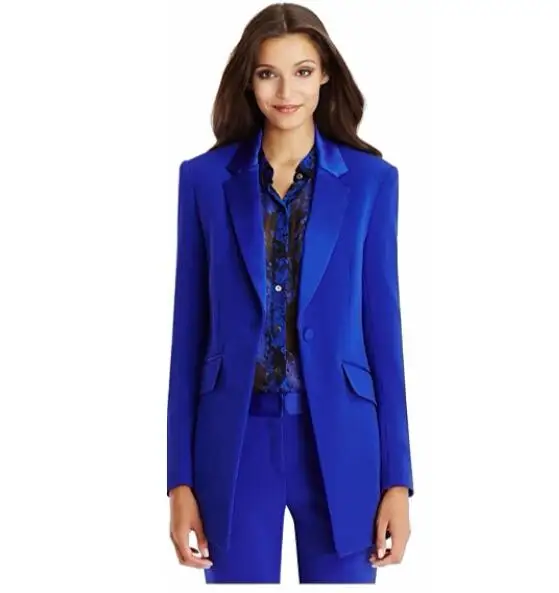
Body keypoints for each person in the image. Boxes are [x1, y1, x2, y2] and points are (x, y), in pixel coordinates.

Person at [166, 2, 414, 584]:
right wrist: (179, 481)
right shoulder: (204, 180)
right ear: (248, 80)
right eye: (267, 73)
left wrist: (398, 481)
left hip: (343, 443)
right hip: (235, 443)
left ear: (325, 74)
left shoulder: (372, 183)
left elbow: (384, 335)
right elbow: (187, 334)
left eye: (302, 71)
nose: (286, 92)